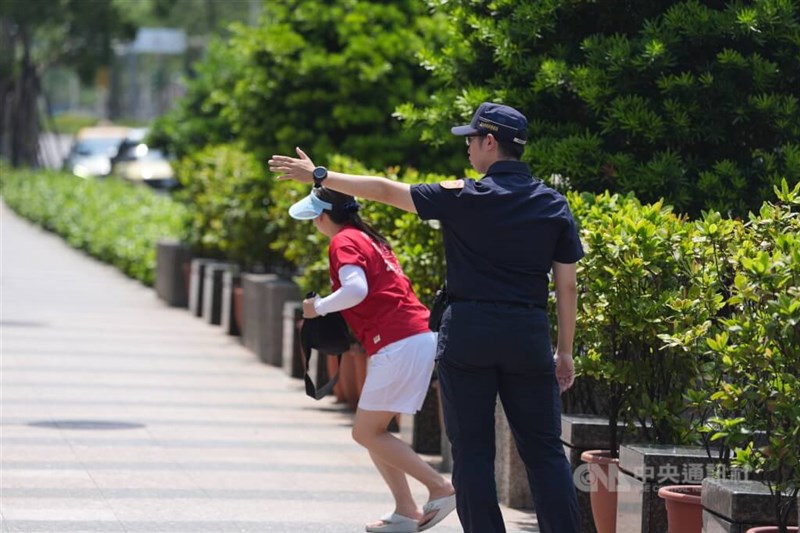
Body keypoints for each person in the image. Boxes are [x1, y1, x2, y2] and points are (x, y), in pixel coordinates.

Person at [270, 101, 583, 533]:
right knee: (545, 451)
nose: (468, 148)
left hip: (469, 333)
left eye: (471, 140)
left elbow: (382, 190)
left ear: (490, 142)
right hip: (527, 333)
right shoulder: (553, 204)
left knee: (472, 453)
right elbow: (566, 286)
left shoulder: (463, 196)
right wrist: (563, 352)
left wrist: (320, 176)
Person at [286, 185, 457, 533]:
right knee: (374, 431)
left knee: (366, 432)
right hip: (408, 337)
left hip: (400, 340)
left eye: (314, 218)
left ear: (321, 216)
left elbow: (356, 290)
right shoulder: (367, 238)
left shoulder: (344, 240)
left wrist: (315, 308)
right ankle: (406, 510)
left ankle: (440, 487)